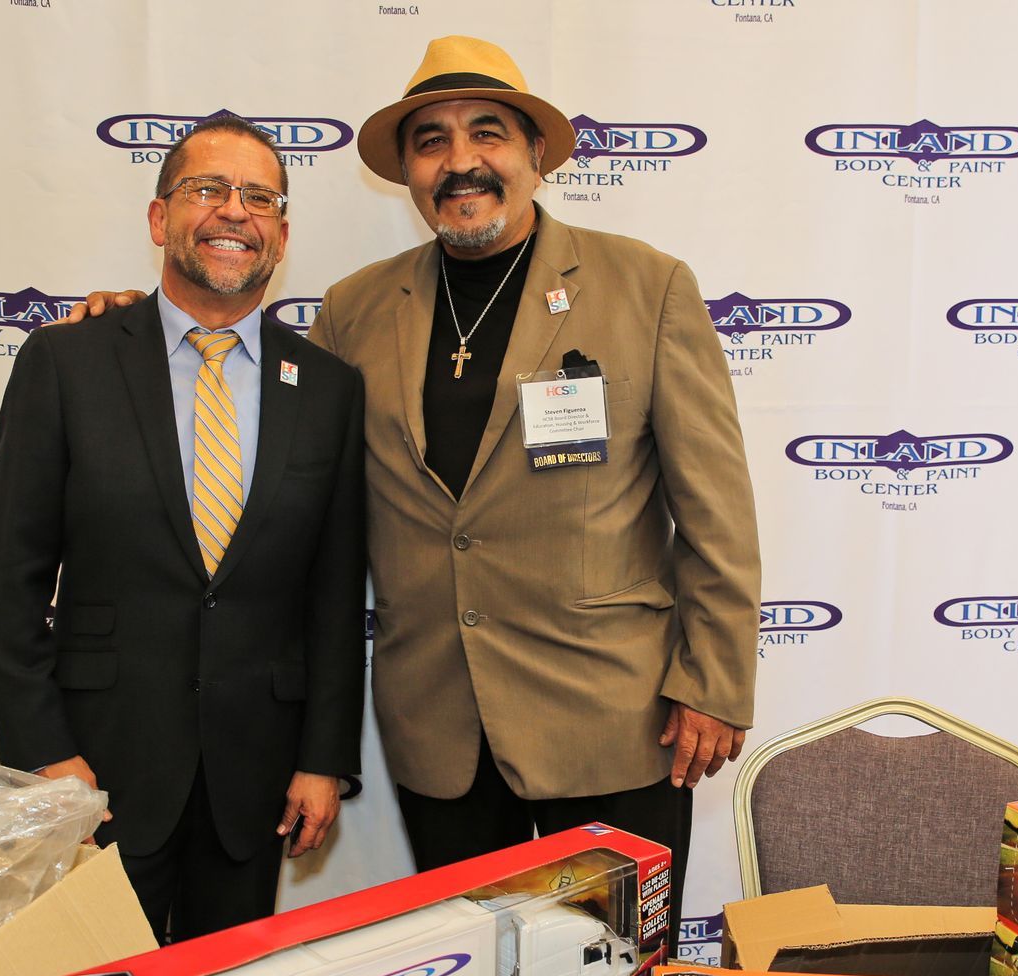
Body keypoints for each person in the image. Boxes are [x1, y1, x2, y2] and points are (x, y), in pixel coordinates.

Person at [66, 38, 760, 930]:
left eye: (488, 134)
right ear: (407, 172)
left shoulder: (645, 286)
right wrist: (135, 333)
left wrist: (714, 679)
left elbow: (718, 510)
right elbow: (254, 436)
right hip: (439, 725)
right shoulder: (355, 310)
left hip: (615, 718)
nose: (461, 160)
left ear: (535, 154)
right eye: (431, 141)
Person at [0, 115, 366, 943]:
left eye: (259, 197)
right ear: (160, 219)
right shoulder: (65, 363)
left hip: (254, 783)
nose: (234, 211)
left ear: (282, 235)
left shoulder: (328, 389)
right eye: (207, 190)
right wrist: (47, 759)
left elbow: (332, 595)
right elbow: (8, 577)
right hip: (97, 773)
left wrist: (324, 757)